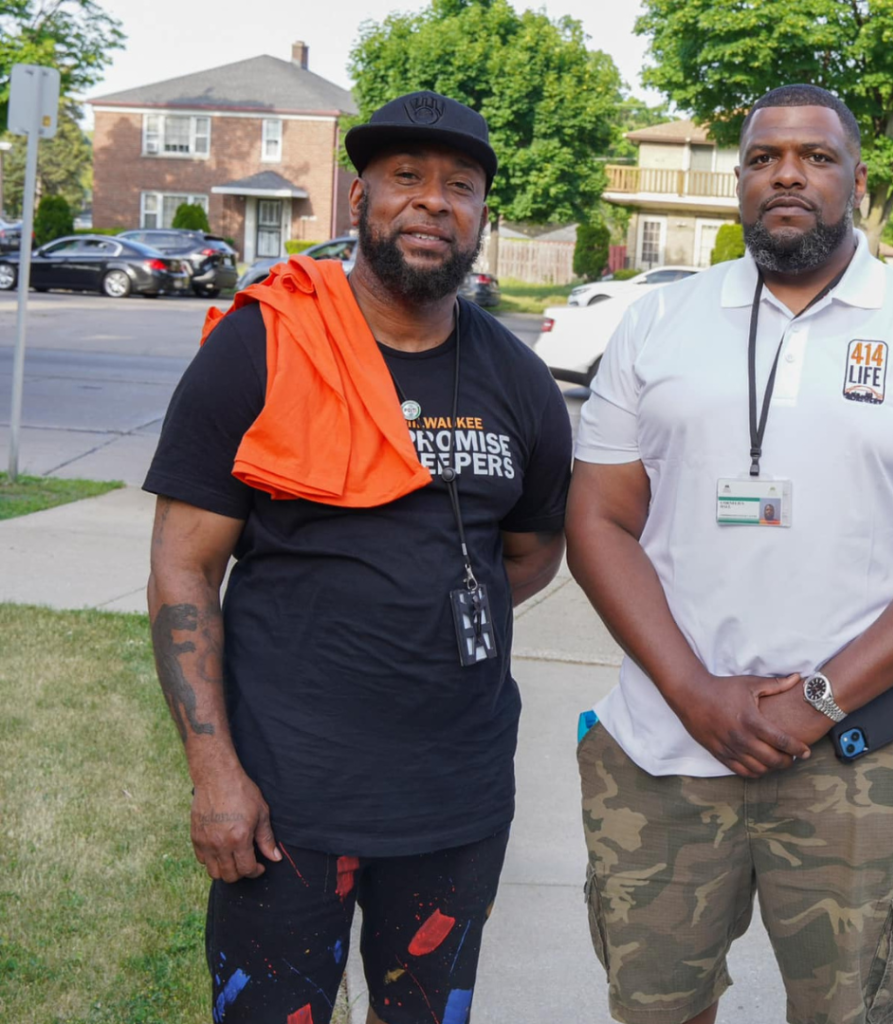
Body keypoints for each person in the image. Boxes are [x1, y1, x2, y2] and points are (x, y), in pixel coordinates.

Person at [566, 83, 893, 1024]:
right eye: (763, 157)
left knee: (848, 1011)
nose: (787, 175)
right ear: (739, 179)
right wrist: (694, 692)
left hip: (856, 758)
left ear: (856, 176)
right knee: (655, 1010)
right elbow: (597, 521)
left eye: (815, 157)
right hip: (665, 745)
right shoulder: (659, 322)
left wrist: (819, 701)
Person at [144, 90, 572, 1024]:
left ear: (482, 214)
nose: (433, 202)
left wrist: (419, 613)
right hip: (285, 795)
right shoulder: (265, 344)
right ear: (358, 198)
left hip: (456, 797)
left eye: (460, 185)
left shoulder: (519, 378)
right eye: (406, 177)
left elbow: (535, 550)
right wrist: (214, 773)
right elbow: (183, 570)